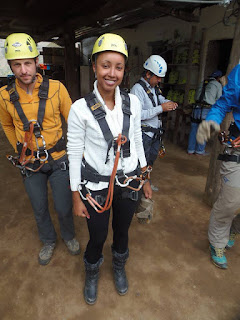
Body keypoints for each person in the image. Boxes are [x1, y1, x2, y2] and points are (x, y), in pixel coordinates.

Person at [67, 33, 152, 305]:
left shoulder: (133, 103)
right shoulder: (80, 109)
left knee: (123, 230)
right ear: (94, 66)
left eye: (118, 66)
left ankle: (118, 265)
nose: (111, 73)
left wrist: (145, 177)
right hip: (96, 188)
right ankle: (92, 270)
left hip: (128, 183)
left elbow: (137, 139)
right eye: (105, 65)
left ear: (125, 70)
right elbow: (73, 153)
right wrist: (75, 196)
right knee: (98, 235)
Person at [0, 33, 80, 266]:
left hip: (58, 159)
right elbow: (6, 123)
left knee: (64, 206)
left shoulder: (56, 88)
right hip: (30, 163)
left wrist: (79, 154)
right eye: (17, 64)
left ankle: (69, 235)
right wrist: (20, 147)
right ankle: (48, 240)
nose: (24, 70)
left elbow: (74, 122)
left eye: (27, 63)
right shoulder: (5, 96)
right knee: (39, 206)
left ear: (36, 62)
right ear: (11, 66)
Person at [196, 64, 240, 269]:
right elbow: (223, 103)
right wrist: (212, 121)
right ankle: (217, 242)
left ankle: (234, 227)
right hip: (237, 146)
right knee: (230, 202)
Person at [130, 55, 178, 191]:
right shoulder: (137, 90)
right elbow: (138, 115)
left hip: (154, 134)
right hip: (144, 135)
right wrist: (161, 108)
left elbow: (159, 98)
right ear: (148, 74)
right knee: (141, 162)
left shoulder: (153, 87)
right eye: (157, 77)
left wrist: (167, 103)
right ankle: (138, 187)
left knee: (150, 161)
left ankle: (146, 183)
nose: (159, 80)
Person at [187, 70, 223, 155]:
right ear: (218, 78)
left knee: (193, 130)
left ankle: (190, 150)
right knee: (204, 130)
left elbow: (196, 96)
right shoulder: (217, 85)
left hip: (196, 109)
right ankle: (199, 151)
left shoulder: (202, 83)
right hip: (206, 110)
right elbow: (220, 99)